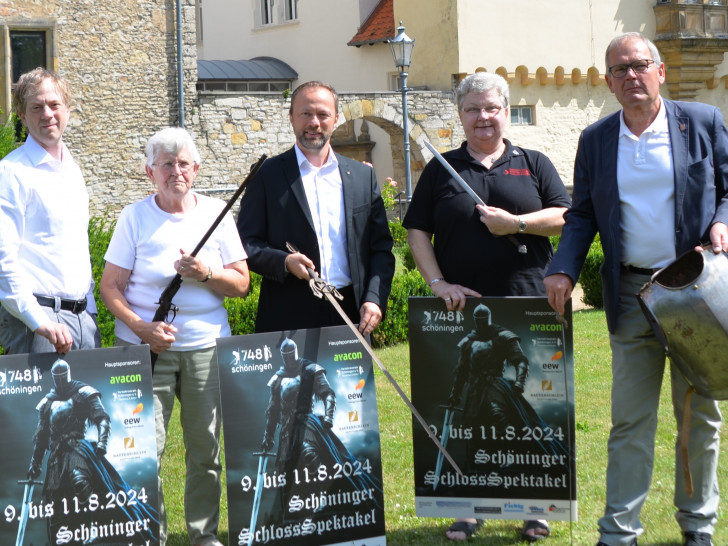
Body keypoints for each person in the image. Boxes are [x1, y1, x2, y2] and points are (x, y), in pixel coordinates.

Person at [543, 32, 727, 546]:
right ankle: (618, 532)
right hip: (632, 294)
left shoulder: (703, 124)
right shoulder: (597, 139)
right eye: (619, 70)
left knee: (699, 417)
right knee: (630, 421)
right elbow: (581, 216)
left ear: (660, 71)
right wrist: (562, 267)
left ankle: (697, 526)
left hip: (695, 292)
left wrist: (723, 220)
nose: (631, 76)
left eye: (639, 65)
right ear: (608, 81)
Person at [403, 71, 571, 542]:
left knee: (527, 417)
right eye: (473, 109)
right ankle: (468, 507)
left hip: (529, 301)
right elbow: (417, 229)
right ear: (461, 115)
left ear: (505, 111)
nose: (483, 117)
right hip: (461, 303)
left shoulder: (532, 162)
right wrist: (437, 282)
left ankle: (538, 506)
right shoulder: (442, 169)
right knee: (472, 425)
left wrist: (514, 223)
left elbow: (564, 216)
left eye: (491, 108)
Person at [99, 127, 250, 546]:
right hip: (146, 351)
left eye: (184, 163)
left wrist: (207, 273)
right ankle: (152, 534)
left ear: (196, 169)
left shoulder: (217, 213)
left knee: (206, 450)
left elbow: (241, 284)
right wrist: (142, 328)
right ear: (150, 172)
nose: (176, 172)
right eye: (166, 164)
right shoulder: (134, 217)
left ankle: (203, 535)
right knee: (144, 451)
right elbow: (110, 287)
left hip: (205, 347)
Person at [236, 81, 395, 335]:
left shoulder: (362, 177)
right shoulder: (266, 175)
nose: (314, 123)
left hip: (351, 313)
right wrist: (285, 261)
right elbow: (246, 243)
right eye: (305, 114)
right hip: (287, 317)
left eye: (323, 114)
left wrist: (374, 298)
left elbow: (381, 249)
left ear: (336, 119)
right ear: (291, 118)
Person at [0, 67, 100, 355]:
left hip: (83, 318)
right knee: (41, 403)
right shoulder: (12, 172)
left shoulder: (72, 170)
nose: (47, 114)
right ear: (21, 114)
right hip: (39, 321)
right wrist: (38, 321)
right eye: (37, 107)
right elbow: (4, 260)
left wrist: (89, 312)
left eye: (54, 105)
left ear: (67, 109)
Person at [28, 358, 158, 544]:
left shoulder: (83, 392)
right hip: (56, 457)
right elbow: (41, 437)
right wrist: (35, 464)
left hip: (77, 449)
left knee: (79, 480)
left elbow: (102, 418)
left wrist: (102, 443)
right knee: (56, 502)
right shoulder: (46, 404)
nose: (61, 381)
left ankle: (93, 526)